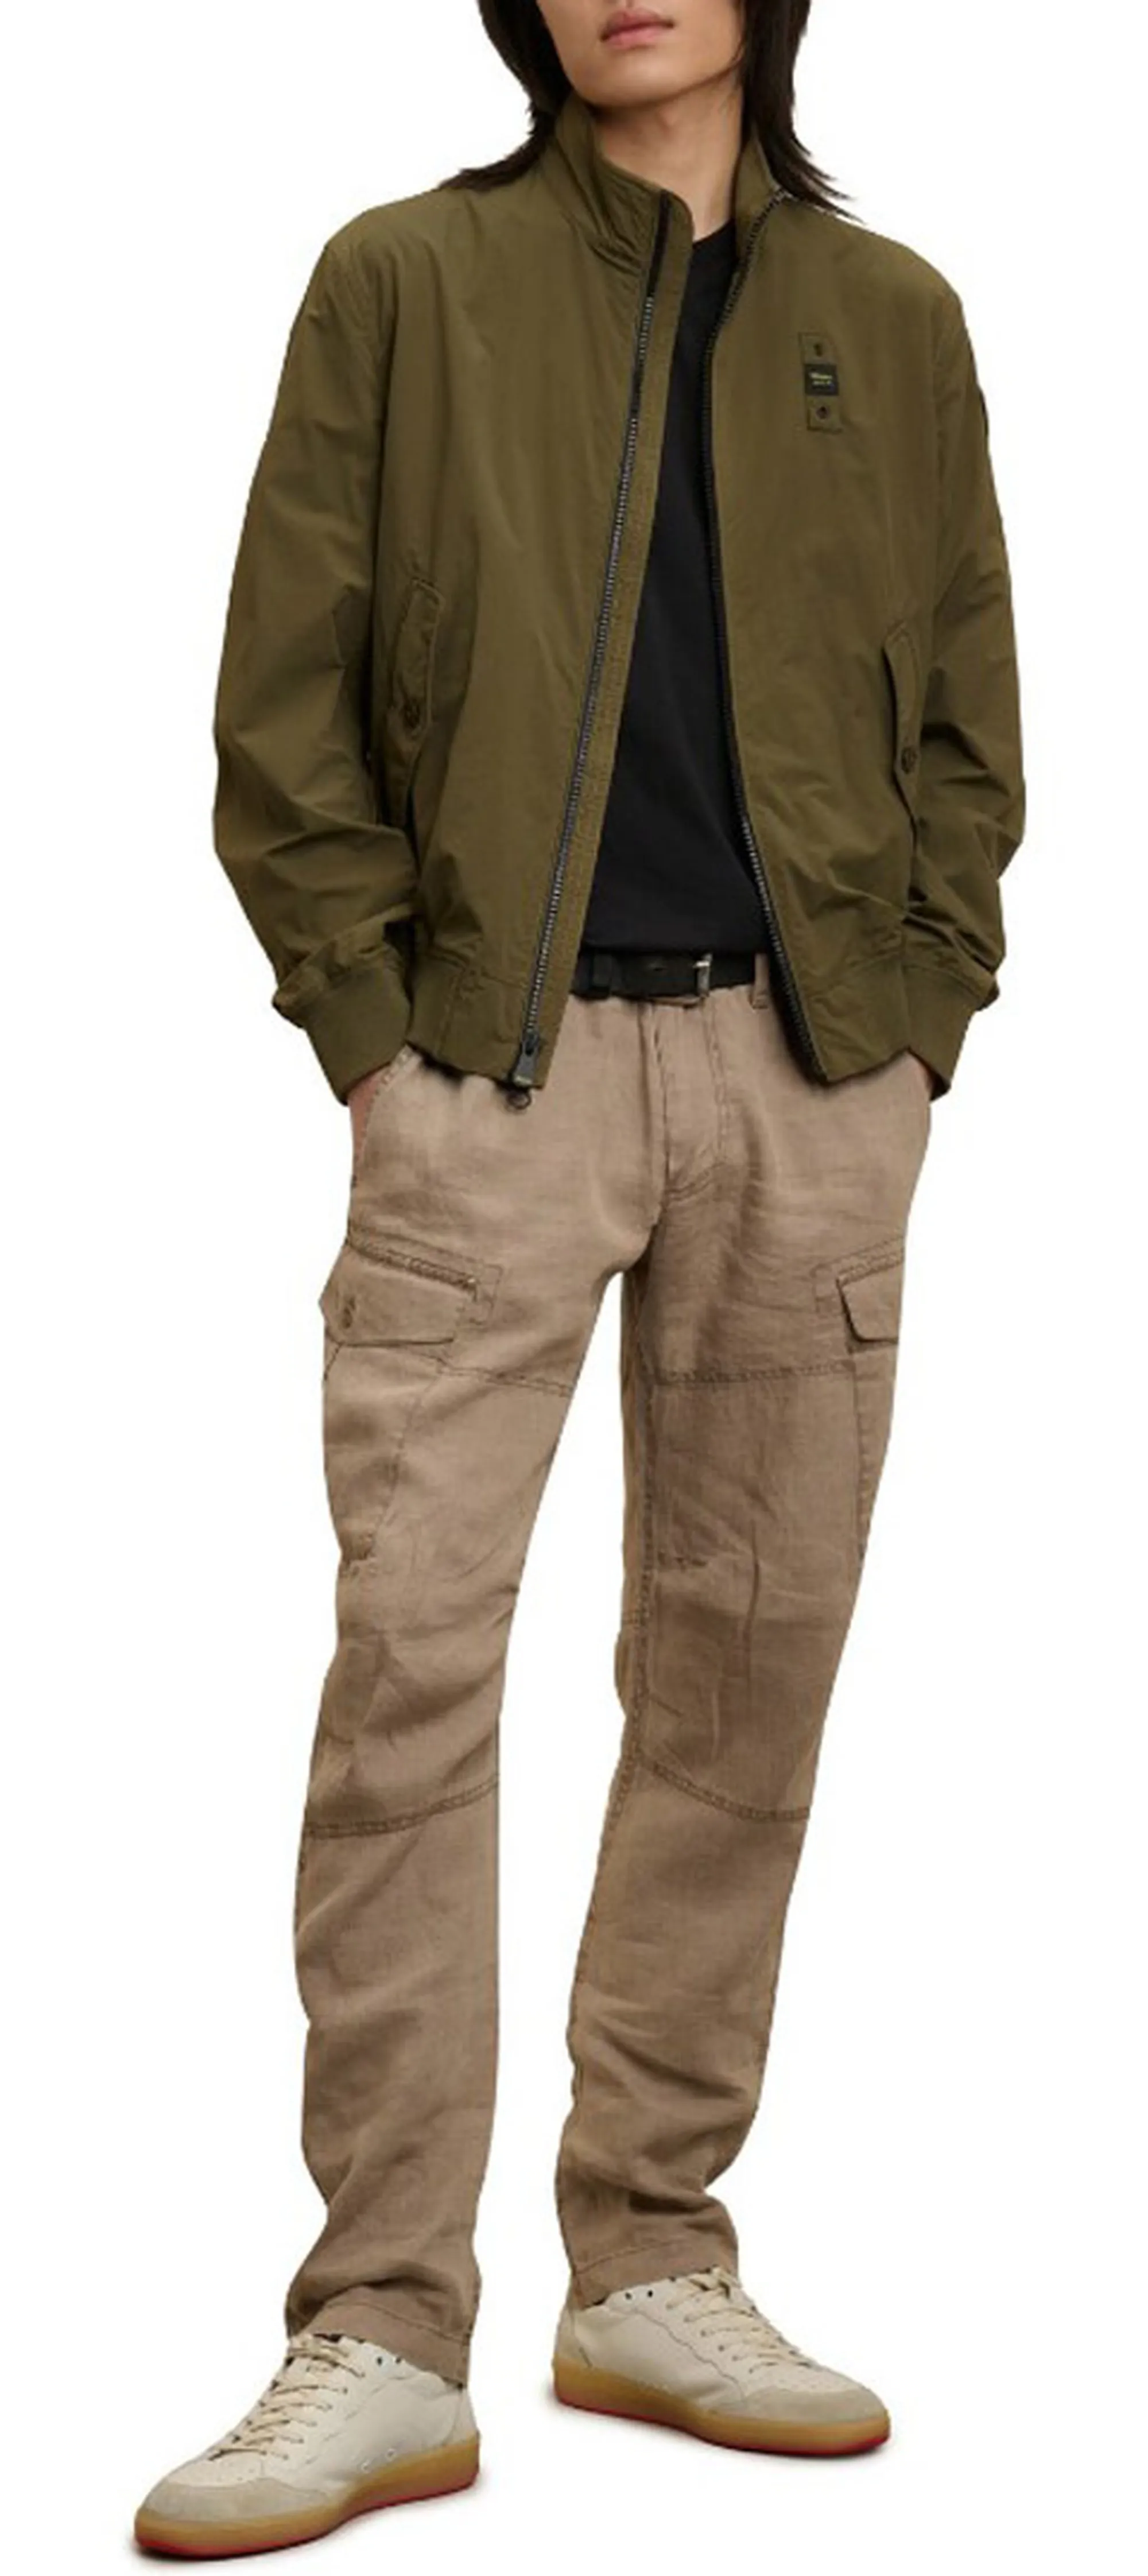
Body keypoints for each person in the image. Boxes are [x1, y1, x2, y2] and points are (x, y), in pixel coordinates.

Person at [133, 0, 1024, 2554]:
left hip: (807, 1076)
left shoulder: (897, 319)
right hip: (484, 1083)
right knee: (411, 1680)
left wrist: (916, 1022)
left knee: (745, 1671)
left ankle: (646, 2261)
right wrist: (369, 1034)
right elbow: (280, 707)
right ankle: (381, 2326)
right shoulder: (401, 281)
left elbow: (971, 716)